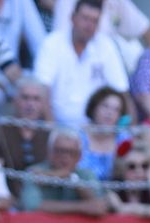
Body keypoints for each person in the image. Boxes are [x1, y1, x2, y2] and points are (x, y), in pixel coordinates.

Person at [34, 0, 128, 131]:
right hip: (58, 128)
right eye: (85, 18)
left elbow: (122, 92)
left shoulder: (106, 46)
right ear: (72, 18)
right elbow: (42, 90)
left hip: (96, 132)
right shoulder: (52, 43)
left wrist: (125, 131)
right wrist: (53, 131)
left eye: (94, 21)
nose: (89, 25)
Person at [17, 127, 105, 214]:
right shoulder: (35, 172)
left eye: (71, 152)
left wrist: (72, 179)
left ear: (79, 156)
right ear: (49, 152)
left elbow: (99, 207)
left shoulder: (86, 174)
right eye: (60, 151)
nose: (65, 157)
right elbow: (31, 206)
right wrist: (82, 207)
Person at [0, 76, 52, 174]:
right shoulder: (0, 131)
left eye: (36, 99)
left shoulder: (49, 134)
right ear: (15, 101)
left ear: (43, 104)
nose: (30, 104)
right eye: (25, 98)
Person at [79, 86, 126, 178]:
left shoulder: (124, 139)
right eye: (105, 106)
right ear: (93, 107)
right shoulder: (77, 137)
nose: (110, 113)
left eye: (116, 109)